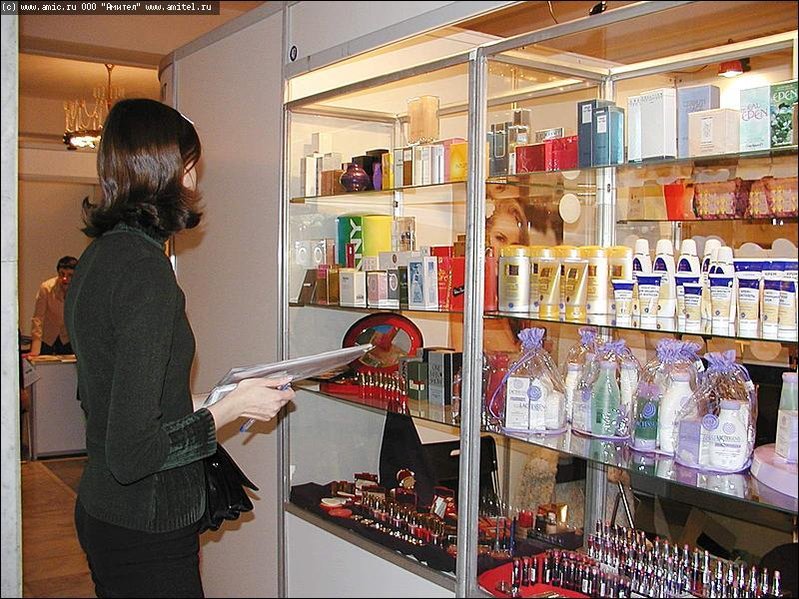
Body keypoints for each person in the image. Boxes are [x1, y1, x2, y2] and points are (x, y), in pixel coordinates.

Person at [64, 98, 295, 598]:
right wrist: (230, 410)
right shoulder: (146, 273)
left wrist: (222, 397)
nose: (194, 182)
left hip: (107, 513)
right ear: (166, 172)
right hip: (144, 528)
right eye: (190, 168)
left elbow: (130, 404)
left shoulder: (99, 258)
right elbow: (134, 453)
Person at [29, 255, 78, 356]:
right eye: (62, 274)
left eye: (70, 275)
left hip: (68, 338)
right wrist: (35, 347)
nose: (65, 278)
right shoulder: (46, 288)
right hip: (47, 337)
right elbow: (38, 319)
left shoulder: (79, 290)